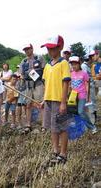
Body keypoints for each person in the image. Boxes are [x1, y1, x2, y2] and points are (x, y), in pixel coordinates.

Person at [41, 35, 71, 164]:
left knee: (62, 127)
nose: (50, 51)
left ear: (60, 47)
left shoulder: (63, 63)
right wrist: (44, 99)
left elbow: (65, 83)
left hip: (59, 101)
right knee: (53, 127)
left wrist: (63, 102)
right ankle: (55, 150)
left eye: (52, 48)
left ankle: (63, 153)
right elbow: (46, 83)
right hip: (48, 100)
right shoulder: (47, 65)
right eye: (48, 48)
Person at [19, 44, 45, 133]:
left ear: (32, 49)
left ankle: (43, 125)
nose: (27, 51)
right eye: (25, 50)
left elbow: (44, 70)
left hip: (38, 84)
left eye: (28, 49)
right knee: (28, 105)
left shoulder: (39, 58)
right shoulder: (23, 61)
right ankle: (28, 125)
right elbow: (21, 74)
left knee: (41, 105)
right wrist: (23, 77)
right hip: (28, 85)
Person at [69, 56, 98, 134]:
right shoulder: (71, 74)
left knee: (81, 111)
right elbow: (70, 85)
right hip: (73, 97)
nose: (74, 66)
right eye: (72, 64)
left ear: (79, 64)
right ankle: (79, 127)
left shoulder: (84, 74)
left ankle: (92, 127)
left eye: (75, 64)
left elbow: (87, 85)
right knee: (74, 112)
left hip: (82, 95)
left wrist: (88, 96)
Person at [81, 50, 97, 123]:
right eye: (93, 56)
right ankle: (92, 120)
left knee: (93, 102)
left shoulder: (88, 66)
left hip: (91, 86)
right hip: (88, 88)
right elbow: (85, 79)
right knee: (90, 103)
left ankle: (94, 117)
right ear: (89, 58)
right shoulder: (84, 66)